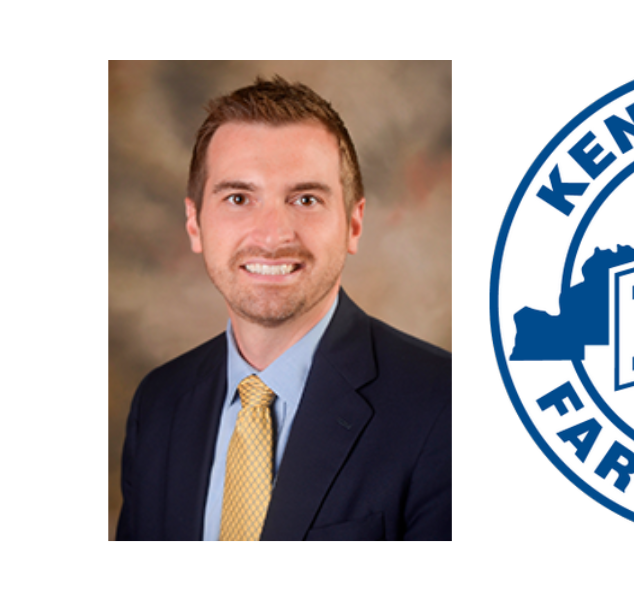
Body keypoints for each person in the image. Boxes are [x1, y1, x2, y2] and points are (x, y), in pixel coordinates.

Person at [116, 76, 451, 541]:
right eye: (238, 198)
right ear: (194, 224)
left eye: (306, 199)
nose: (273, 237)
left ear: (354, 223)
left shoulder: (445, 406)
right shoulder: (158, 405)